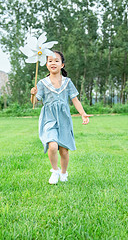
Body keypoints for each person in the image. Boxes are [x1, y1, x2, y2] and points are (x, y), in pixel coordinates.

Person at [30, 51, 91, 184]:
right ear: (46, 64)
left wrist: (83, 113)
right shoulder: (42, 83)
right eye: (50, 60)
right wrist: (33, 94)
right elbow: (35, 102)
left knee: (64, 150)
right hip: (49, 118)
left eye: (56, 60)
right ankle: (55, 170)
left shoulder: (67, 82)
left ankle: (64, 173)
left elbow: (75, 100)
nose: (53, 63)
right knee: (52, 145)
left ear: (62, 65)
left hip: (64, 118)